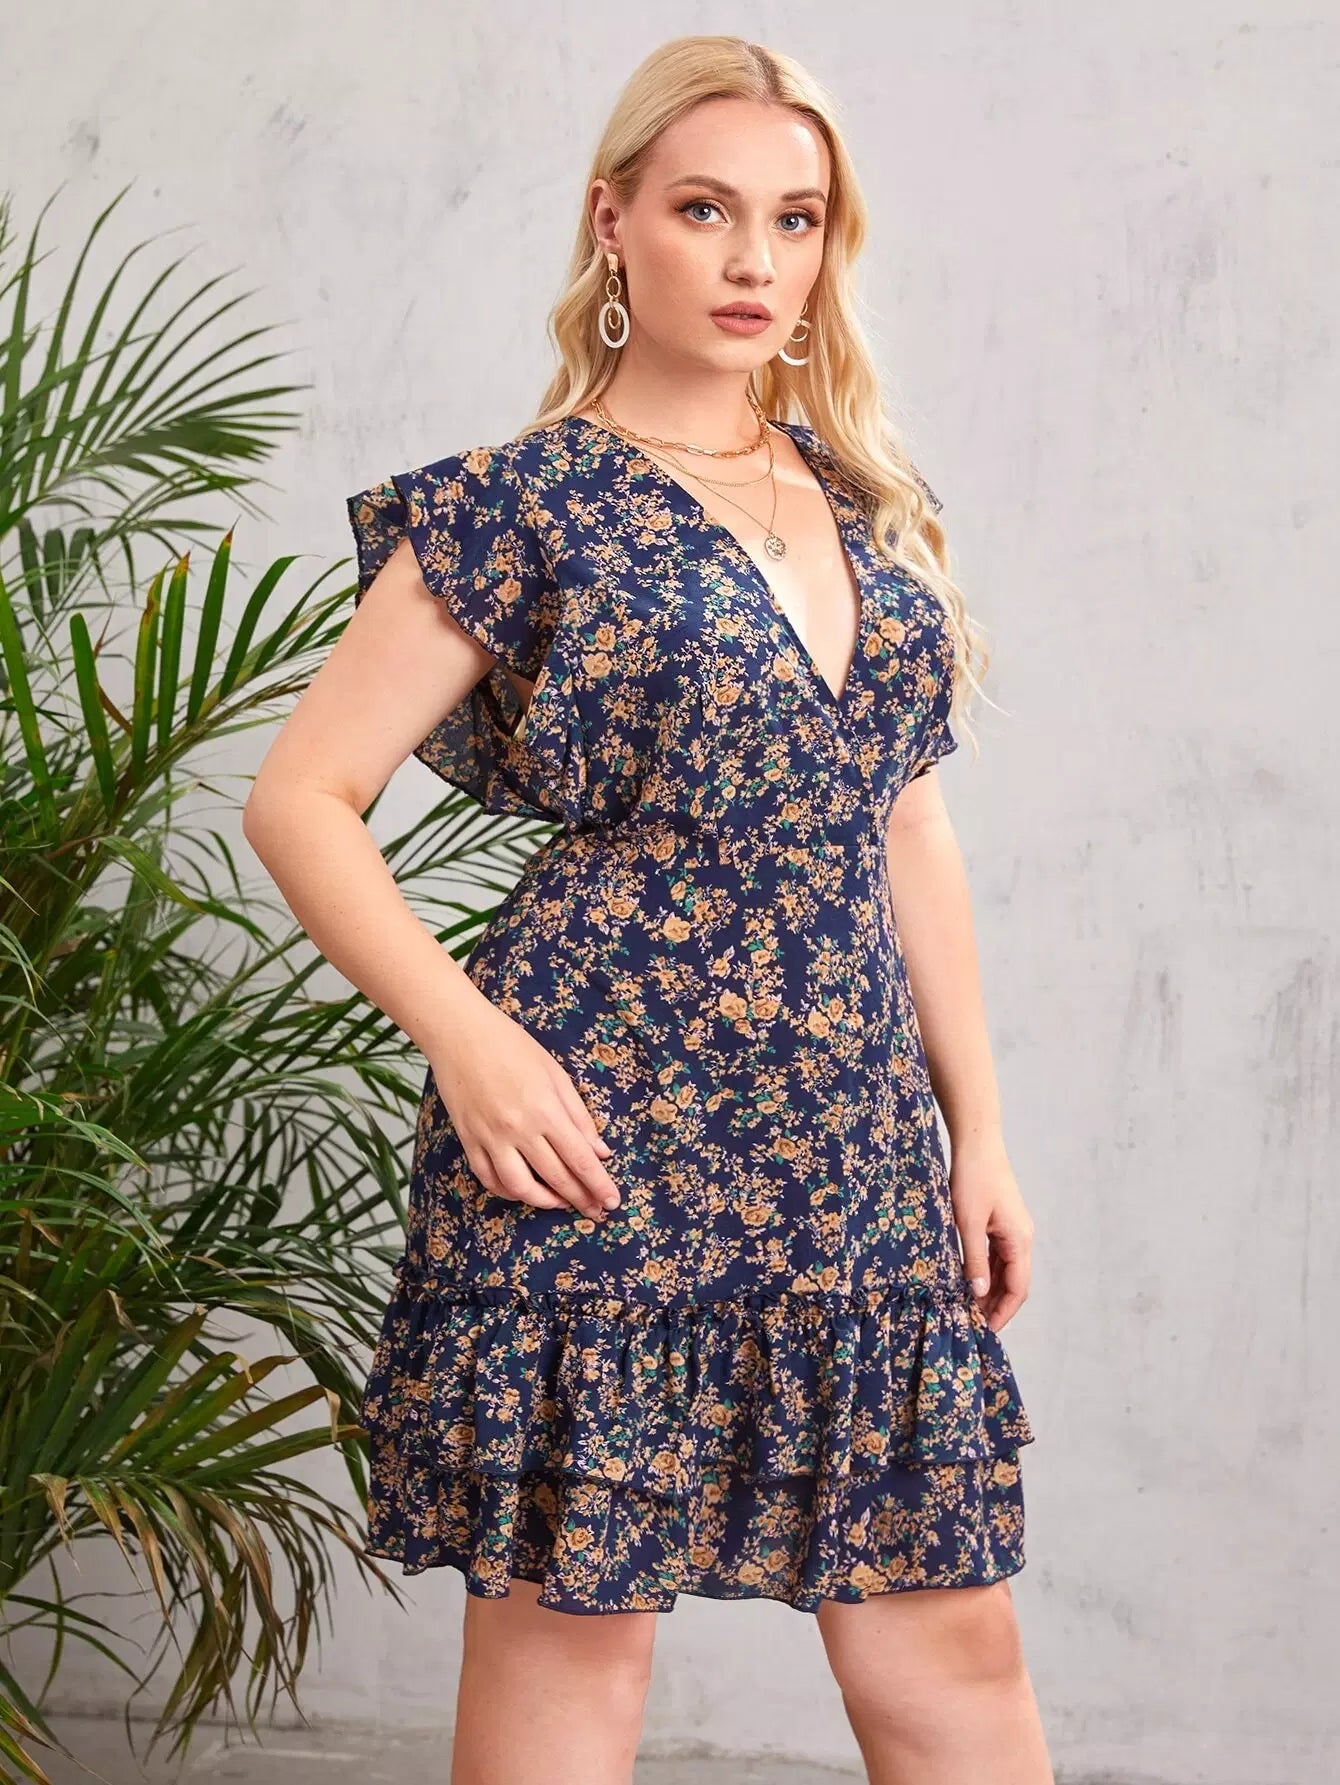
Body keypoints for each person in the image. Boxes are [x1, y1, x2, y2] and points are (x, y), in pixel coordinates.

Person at [244, 33, 1053, 1785]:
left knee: (954, 1648)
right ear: (614, 222)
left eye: (796, 219)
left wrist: (977, 1128)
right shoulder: (519, 504)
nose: (756, 259)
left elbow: (905, 823)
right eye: (705, 210)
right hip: (595, 1110)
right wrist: (471, 1045)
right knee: (576, 1645)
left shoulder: (864, 501)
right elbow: (299, 797)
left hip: (847, 1134)